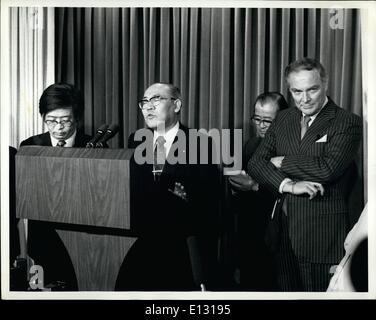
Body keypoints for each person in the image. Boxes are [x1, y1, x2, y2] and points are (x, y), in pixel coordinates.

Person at [248, 58, 362, 291]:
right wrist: (288, 185)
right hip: (283, 234)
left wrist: (283, 161)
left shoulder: (347, 122)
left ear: (325, 83)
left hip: (322, 238)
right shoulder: (283, 118)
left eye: (312, 89)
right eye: (297, 91)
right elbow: (256, 163)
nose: (305, 98)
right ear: (290, 90)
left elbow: (327, 168)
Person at [115, 82, 221, 291]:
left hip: (180, 247)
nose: (148, 107)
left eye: (156, 100)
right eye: (144, 102)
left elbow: (205, 205)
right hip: (139, 245)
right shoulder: (135, 141)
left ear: (177, 105)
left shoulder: (200, 144)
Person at [18, 83, 92, 290]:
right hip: (43, 241)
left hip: (83, 241)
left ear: (77, 117)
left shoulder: (94, 146)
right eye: (51, 121)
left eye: (65, 120)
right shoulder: (29, 147)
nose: (58, 127)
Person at [228, 92, 288, 291]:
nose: (260, 125)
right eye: (257, 119)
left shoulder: (291, 149)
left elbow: (288, 194)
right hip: (249, 231)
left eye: (267, 121)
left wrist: (254, 186)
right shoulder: (251, 145)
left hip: (277, 237)